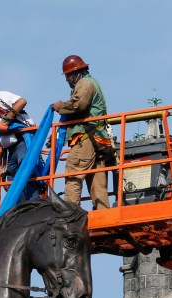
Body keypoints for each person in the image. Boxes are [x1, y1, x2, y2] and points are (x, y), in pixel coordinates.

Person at [52, 54, 113, 210]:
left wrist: (60, 106)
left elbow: (78, 105)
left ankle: (69, 216)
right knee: (97, 181)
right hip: (96, 140)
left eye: (68, 76)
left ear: (77, 72)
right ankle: (103, 216)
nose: (67, 80)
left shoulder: (85, 83)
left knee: (73, 174)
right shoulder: (90, 82)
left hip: (87, 139)